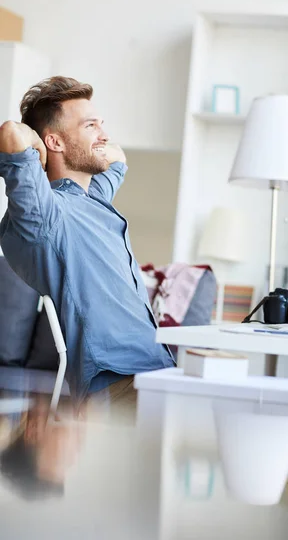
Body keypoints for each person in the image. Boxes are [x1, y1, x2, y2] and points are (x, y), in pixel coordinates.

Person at [0, 76, 174, 404]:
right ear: (55, 142)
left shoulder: (94, 195)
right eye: (90, 125)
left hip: (157, 370)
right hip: (117, 380)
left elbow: (118, 157)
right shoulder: (45, 213)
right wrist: (37, 151)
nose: (104, 135)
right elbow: (10, 134)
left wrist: (90, 140)